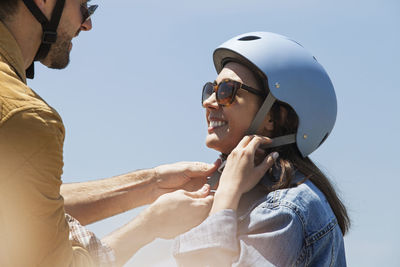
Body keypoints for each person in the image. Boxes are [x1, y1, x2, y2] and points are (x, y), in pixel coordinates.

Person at [0, 1, 218, 266]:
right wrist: (149, 225)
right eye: (83, 6)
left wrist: (152, 184)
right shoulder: (26, 119)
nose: (87, 24)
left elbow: (23, 205)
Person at [173, 32, 350, 266]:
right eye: (211, 89)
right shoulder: (243, 195)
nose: (209, 101)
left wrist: (226, 195)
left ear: (274, 117)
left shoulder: (285, 210)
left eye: (227, 90)